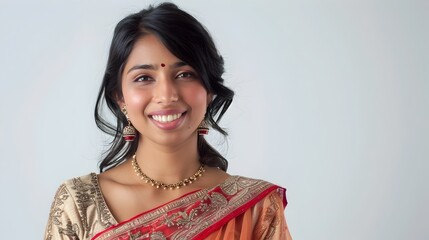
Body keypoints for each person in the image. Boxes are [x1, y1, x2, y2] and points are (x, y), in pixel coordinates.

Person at [44, 3, 292, 240]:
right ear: (119, 96)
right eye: (144, 78)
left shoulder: (255, 209)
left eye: (184, 74)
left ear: (209, 91)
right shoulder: (78, 204)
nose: (167, 95)